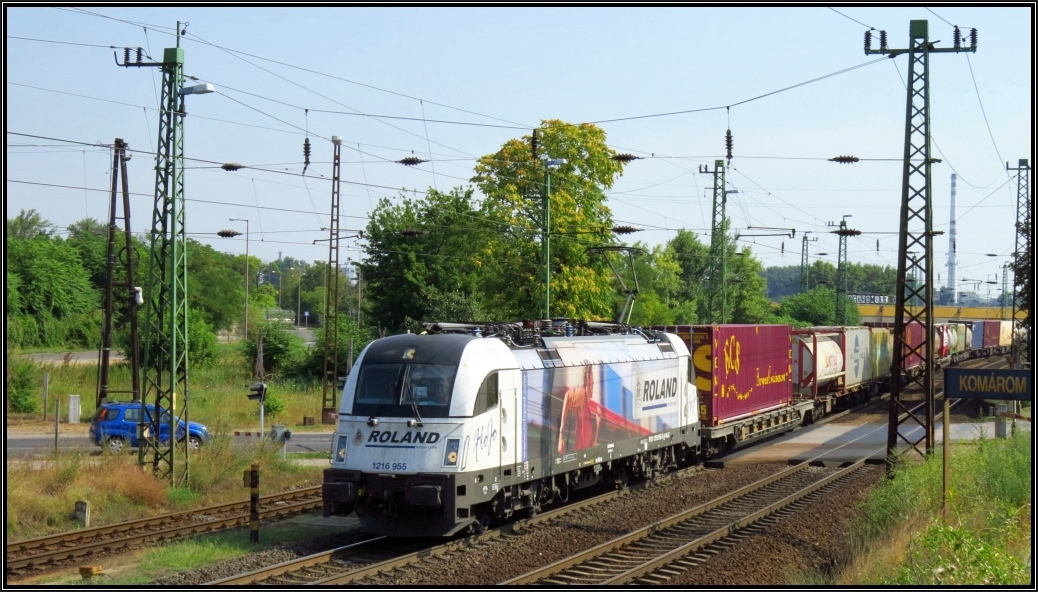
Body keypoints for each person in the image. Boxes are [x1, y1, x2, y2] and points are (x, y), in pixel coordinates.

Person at [557, 364, 600, 455]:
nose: (594, 384)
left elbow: (592, 446)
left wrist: (597, 424)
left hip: (586, 458)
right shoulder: (582, 394)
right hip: (580, 457)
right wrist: (561, 438)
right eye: (592, 379)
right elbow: (568, 395)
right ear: (588, 379)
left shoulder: (588, 408)